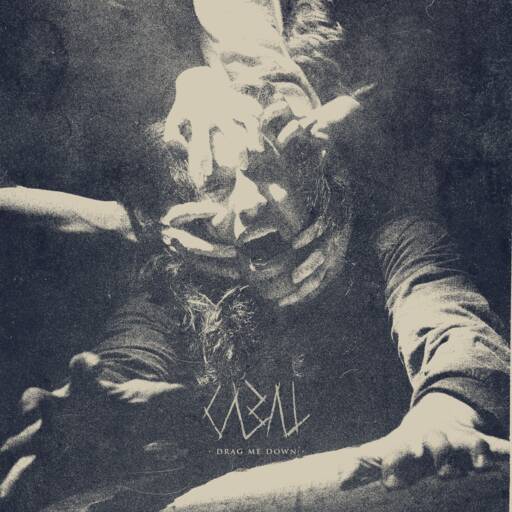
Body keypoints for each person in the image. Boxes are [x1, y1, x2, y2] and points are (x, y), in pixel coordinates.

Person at [0, 1, 509, 510]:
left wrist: (446, 416)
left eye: (267, 170)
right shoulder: (175, 287)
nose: (249, 203)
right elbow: (126, 365)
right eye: (218, 186)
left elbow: (452, 325)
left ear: (314, 176)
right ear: (191, 213)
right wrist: (100, 414)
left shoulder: (392, 241)